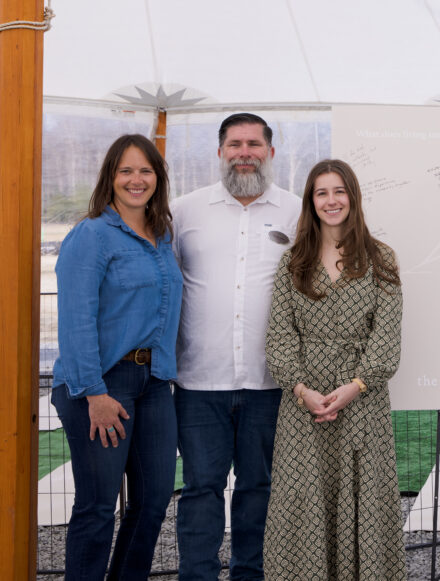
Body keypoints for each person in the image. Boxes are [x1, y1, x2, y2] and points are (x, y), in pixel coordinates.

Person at [171, 113, 302, 581]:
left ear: (270, 151)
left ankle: (252, 574)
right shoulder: (184, 211)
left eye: (253, 143)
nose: (244, 151)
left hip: (270, 383)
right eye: (234, 143)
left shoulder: (295, 211)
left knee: (259, 489)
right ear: (220, 151)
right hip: (199, 381)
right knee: (201, 490)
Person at [262, 159, 406, 580]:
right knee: (302, 502)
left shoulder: (381, 258)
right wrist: (301, 389)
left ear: (353, 197)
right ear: (311, 200)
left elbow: (387, 337)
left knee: (364, 503)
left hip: (362, 403)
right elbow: (279, 336)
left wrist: (356, 386)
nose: (331, 200)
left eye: (339, 191)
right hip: (303, 406)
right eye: (321, 192)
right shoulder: (292, 263)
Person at [50, 134, 182, 580]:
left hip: (154, 384)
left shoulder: (162, 236)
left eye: (145, 170)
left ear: (158, 179)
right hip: (102, 383)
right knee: (98, 506)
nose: (136, 179)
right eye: (125, 170)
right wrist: (94, 393)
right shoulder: (91, 235)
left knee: (153, 500)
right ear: (110, 176)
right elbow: (75, 319)